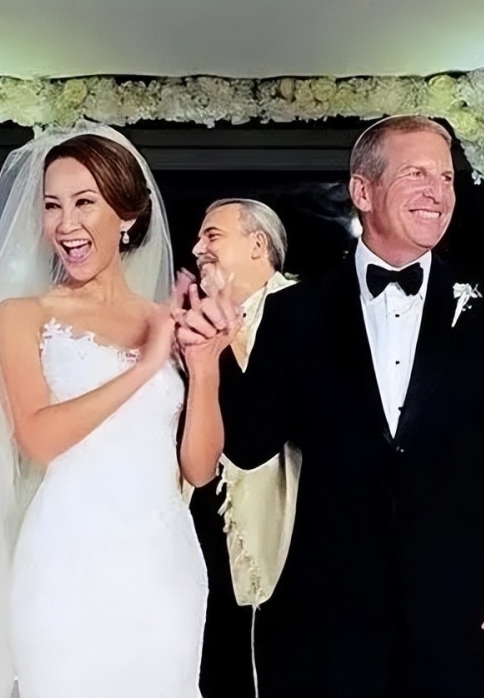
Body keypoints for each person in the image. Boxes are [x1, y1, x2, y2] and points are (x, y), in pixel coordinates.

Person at [177, 115, 484, 697]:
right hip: (331, 619)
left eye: (446, 178)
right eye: (416, 174)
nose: (438, 192)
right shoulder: (296, 311)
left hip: (462, 613)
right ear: (363, 190)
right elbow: (250, 445)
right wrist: (213, 356)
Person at [0, 124, 239, 697]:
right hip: (65, 562)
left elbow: (200, 470)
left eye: (84, 203)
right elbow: (38, 438)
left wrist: (204, 367)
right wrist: (143, 367)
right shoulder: (21, 315)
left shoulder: (164, 319)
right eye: (52, 206)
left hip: (164, 568)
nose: (65, 224)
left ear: (127, 215)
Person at [185, 198, 297, 698]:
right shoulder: (187, 320)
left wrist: (220, 337)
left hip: (280, 527)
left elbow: (256, 431)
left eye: (212, 236)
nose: (197, 248)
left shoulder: (300, 311)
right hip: (198, 514)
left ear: (257, 245)